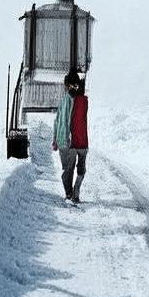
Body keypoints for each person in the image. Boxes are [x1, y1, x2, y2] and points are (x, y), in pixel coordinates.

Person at [51, 71, 89, 202]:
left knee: (74, 169)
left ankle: (73, 193)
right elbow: (57, 120)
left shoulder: (78, 100)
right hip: (64, 140)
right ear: (67, 85)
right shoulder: (65, 100)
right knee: (68, 169)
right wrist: (55, 139)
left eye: (74, 85)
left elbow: (74, 121)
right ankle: (70, 193)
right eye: (69, 85)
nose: (72, 87)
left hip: (73, 141)